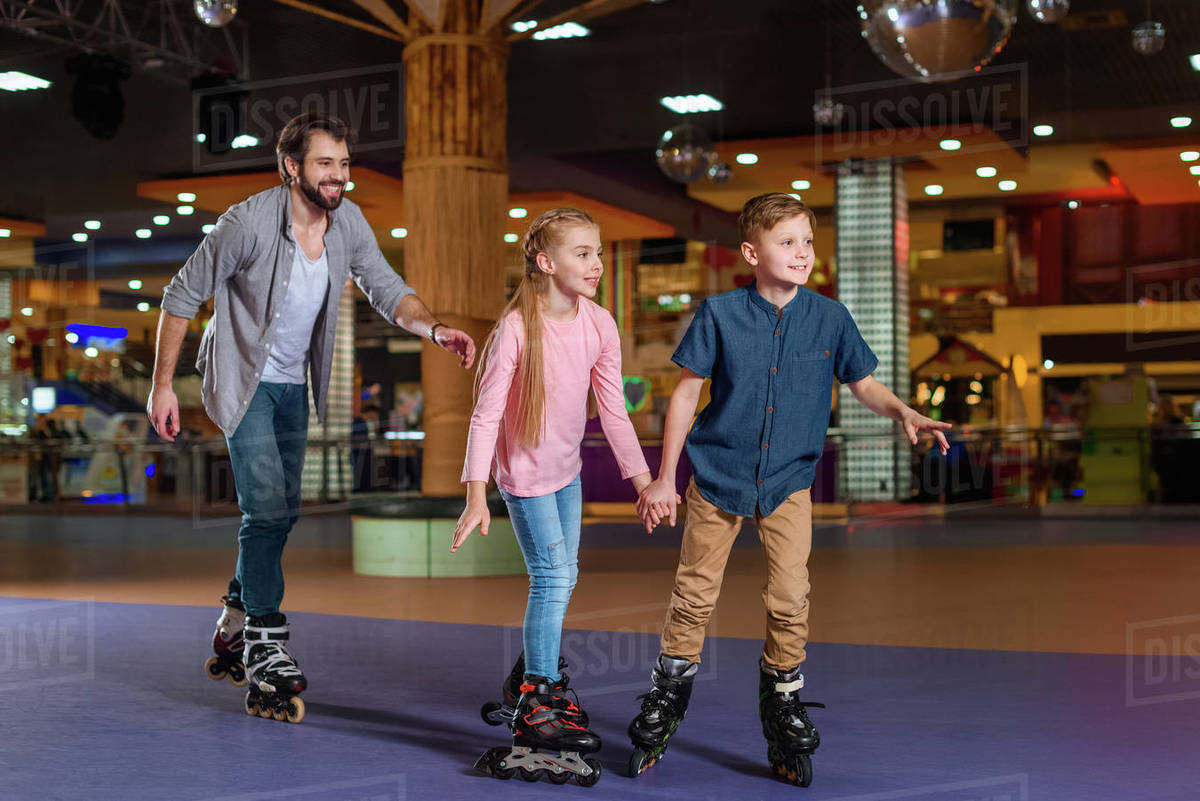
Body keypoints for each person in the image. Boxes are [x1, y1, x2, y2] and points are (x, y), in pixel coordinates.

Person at [146, 113, 475, 723]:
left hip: (294, 385)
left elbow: (386, 287)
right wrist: (163, 386)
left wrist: (433, 328)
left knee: (284, 511)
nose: (338, 176)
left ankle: (234, 618)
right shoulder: (247, 222)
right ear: (291, 166)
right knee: (266, 510)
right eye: (326, 164)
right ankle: (266, 641)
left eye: (344, 164)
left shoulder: (347, 221)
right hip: (241, 380)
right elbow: (181, 295)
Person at [626, 193, 951, 785]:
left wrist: (903, 410)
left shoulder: (831, 318)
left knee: (790, 596)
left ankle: (782, 699)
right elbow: (685, 394)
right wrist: (664, 478)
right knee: (694, 593)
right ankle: (667, 694)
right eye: (787, 242)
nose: (802, 253)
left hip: (788, 482)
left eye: (807, 241)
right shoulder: (719, 313)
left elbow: (864, 383)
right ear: (752, 253)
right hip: (718, 476)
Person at [452, 208, 653, 786]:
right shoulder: (516, 328)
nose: (597, 264)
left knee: (567, 573)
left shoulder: (599, 323)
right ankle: (538, 701)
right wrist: (475, 495)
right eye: (583, 253)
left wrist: (643, 483)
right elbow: (485, 416)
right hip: (524, 476)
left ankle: (529, 671)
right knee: (551, 578)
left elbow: (614, 412)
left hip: (567, 471)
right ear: (546, 262)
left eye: (598, 252)